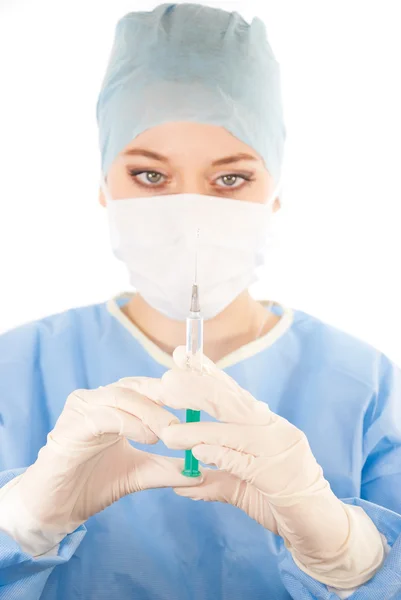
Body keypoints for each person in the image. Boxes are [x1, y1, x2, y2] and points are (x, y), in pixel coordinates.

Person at [0, 4, 400, 599]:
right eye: (151, 177)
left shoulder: (361, 382)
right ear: (104, 186)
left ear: (276, 193)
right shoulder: (17, 368)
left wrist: (349, 554)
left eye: (230, 178)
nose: (190, 213)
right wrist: (20, 524)